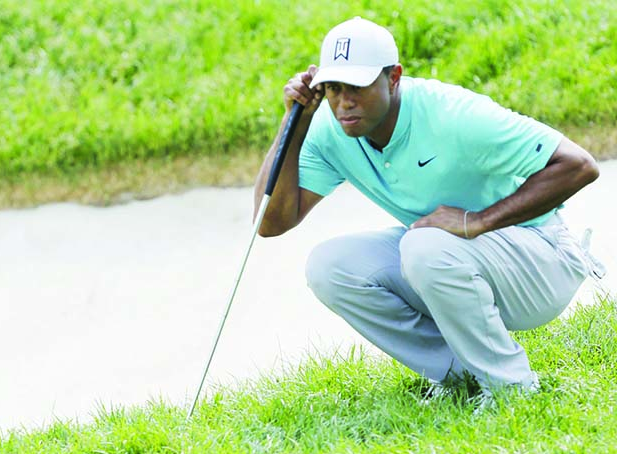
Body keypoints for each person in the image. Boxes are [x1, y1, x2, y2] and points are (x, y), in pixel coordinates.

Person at [253, 17, 601, 405]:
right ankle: (459, 374)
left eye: (357, 86)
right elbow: (270, 223)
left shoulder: (453, 114)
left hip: (541, 260)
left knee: (424, 246)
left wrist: (476, 221)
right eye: (333, 89)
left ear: (394, 77)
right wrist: (293, 125)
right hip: (454, 256)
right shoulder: (331, 131)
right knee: (329, 265)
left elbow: (579, 165)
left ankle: (511, 387)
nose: (344, 101)